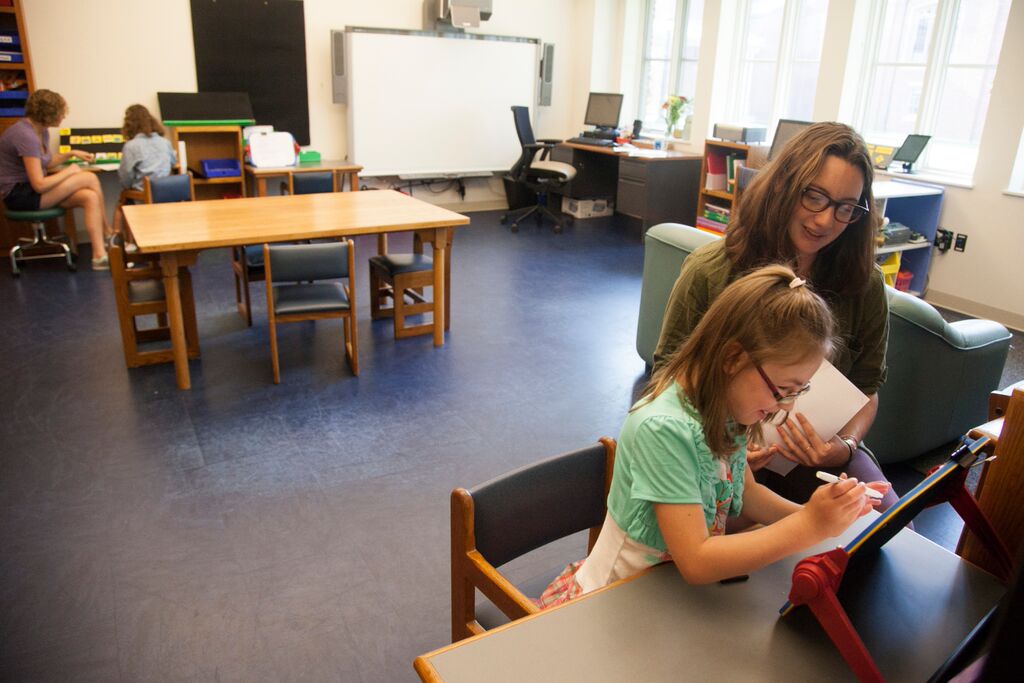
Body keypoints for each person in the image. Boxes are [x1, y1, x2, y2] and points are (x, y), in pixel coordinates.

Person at [538, 266, 887, 606]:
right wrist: (810, 525)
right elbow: (697, 560)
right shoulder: (664, 429)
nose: (786, 407)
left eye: (798, 391)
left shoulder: (725, 408)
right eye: (782, 390)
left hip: (671, 598)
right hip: (619, 600)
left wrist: (823, 516)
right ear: (733, 357)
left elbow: (749, 494)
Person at [653, 121, 899, 512]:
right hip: (716, 446)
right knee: (733, 532)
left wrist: (843, 447)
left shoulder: (864, 284)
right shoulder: (710, 270)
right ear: (783, 186)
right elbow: (667, 373)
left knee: (882, 528)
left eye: (845, 208)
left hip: (822, 453)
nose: (824, 221)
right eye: (814, 197)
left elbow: (867, 388)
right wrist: (723, 442)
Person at [0, 89, 111, 269]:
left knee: (89, 196)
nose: (63, 116)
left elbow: (47, 163)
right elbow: (40, 185)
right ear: (48, 114)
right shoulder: (25, 136)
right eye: (60, 112)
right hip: (19, 195)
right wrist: (70, 171)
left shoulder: (40, 131)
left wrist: (71, 154)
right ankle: (107, 231)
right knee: (88, 178)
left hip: (32, 191)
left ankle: (99, 255)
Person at [111, 104, 177, 239]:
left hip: (144, 192)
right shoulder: (164, 142)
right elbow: (172, 163)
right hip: (166, 189)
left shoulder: (131, 146)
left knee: (121, 202)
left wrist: (127, 187)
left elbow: (125, 177)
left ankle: (118, 243)